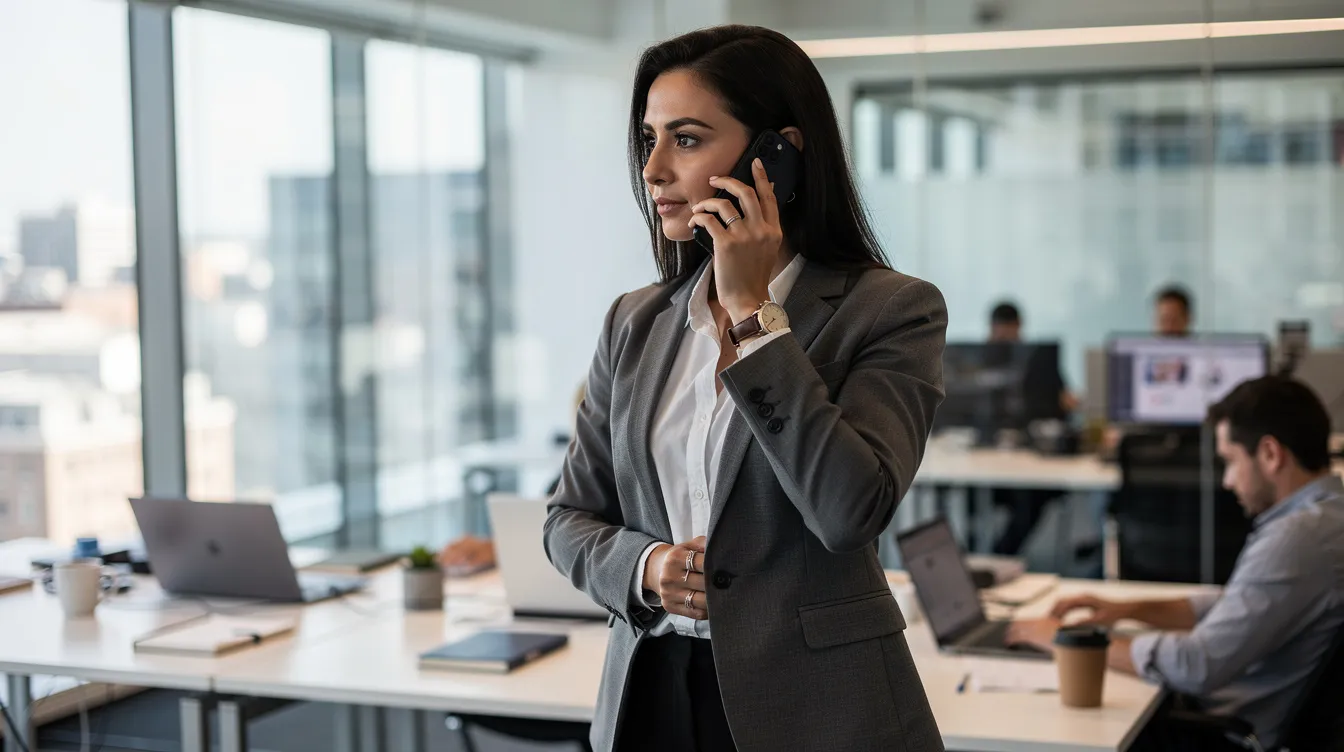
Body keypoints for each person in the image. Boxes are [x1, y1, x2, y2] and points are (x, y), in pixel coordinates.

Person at [543, 25, 946, 752]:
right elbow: (568, 516)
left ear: (777, 152)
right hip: (653, 693)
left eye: (688, 139)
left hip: (821, 712)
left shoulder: (889, 310)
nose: (654, 169)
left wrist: (757, 320)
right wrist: (645, 567)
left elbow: (849, 511)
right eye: (648, 140)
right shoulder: (635, 323)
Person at [1007, 376, 1343, 750]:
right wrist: (1128, 609)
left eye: (1230, 462)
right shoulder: (1326, 520)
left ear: (1270, 454)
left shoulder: (1296, 539)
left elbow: (1196, 665)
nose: (1228, 482)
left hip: (1216, 735)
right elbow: (1240, 604)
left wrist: (1063, 639)